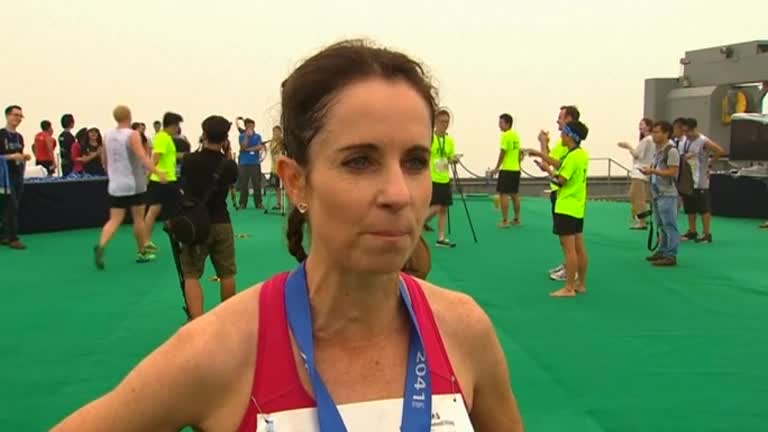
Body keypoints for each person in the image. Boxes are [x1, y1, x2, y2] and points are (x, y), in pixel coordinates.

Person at [52, 39, 524, 432]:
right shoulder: (221, 349)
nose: (398, 193)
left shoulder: (464, 330)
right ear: (296, 181)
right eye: (360, 161)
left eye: (415, 162)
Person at [177, 115, 239, 319]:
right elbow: (231, 179)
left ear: (203, 134)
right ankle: (228, 319)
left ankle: (197, 321)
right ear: (225, 138)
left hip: (196, 224)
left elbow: (184, 187)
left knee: (191, 274)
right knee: (227, 273)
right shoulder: (228, 166)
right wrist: (227, 152)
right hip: (221, 221)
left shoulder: (189, 160)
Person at [94, 106, 166, 268]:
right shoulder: (132, 134)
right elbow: (142, 156)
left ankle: (102, 244)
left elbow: (104, 160)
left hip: (115, 184)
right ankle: (141, 252)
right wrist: (156, 171)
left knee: (115, 219)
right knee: (138, 218)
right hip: (133, 183)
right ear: (129, 116)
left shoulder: (107, 135)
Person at [526, 105, 581, 281]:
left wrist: (541, 146)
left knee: (571, 241)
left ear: (569, 120)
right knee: (569, 240)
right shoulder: (567, 145)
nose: (558, 121)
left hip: (566, 197)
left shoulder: (571, 148)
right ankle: (569, 267)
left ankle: (571, 274)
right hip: (565, 197)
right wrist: (545, 147)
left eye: (561, 117)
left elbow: (556, 167)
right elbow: (552, 160)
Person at [535, 120, 590, 297]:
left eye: (564, 133)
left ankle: (568, 288)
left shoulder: (572, 157)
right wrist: (542, 155)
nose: (561, 135)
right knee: (580, 247)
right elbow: (560, 165)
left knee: (569, 250)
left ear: (570, 136)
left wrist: (548, 171)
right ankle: (580, 284)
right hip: (577, 207)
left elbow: (560, 180)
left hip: (566, 206)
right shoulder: (580, 154)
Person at [679, 118, 725, 243]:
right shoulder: (684, 141)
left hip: (700, 180)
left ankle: (706, 234)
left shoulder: (703, 141)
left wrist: (710, 163)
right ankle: (692, 231)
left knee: (703, 208)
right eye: (684, 131)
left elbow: (720, 151)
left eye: (688, 131)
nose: (686, 134)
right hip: (687, 179)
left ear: (694, 129)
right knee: (689, 207)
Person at [640, 121, 680, 266]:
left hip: (668, 193)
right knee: (661, 224)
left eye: (657, 132)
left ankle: (671, 254)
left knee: (670, 224)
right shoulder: (659, 150)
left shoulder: (672, 151)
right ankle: (663, 251)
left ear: (666, 133)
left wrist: (653, 171)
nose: (654, 135)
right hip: (658, 192)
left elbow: (673, 172)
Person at [144, 111, 184, 253]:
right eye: (177, 125)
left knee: (154, 211)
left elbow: (168, 155)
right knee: (180, 208)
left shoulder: (166, 138)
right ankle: (147, 240)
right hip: (164, 180)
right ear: (172, 125)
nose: (178, 128)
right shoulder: (162, 137)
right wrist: (151, 173)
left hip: (166, 179)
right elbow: (155, 157)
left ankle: (146, 241)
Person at [425, 108, 457, 247]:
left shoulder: (450, 141)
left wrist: (454, 159)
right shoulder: (429, 138)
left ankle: (441, 238)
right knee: (436, 206)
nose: (445, 124)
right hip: (432, 177)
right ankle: (419, 223)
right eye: (442, 122)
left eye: (447, 122)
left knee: (444, 208)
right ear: (436, 122)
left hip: (444, 177)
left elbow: (448, 158)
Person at [0, 105, 30, 250]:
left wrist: (23, 157)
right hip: (3, 177)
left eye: (20, 116)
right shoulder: (1, 135)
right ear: (7, 116)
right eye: (15, 115)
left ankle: (4, 235)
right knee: (10, 206)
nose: (18, 118)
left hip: (17, 175)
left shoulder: (19, 137)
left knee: (12, 206)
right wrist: (11, 156)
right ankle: (13, 238)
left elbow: (18, 155)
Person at [618, 118, 654, 229]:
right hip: (642, 172)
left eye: (642, 124)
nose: (640, 126)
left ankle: (642, 221)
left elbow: (637, 155)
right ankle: (641, 216)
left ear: (648, 126)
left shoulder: (647, 140)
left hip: (640, 172)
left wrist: (628, 146)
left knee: (638, 198)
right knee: (635, 196)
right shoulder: (650, 140)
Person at [490, 113, 523, 227]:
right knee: (515, 194)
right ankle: (517, 219)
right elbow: (519, 153)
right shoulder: (516, 136)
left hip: (507, 169)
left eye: (501, 123)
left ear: (507, 124)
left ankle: (505, 220)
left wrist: (496, 168)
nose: (499, 125)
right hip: (516, 169)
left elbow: (503, 152)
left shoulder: (506, 136)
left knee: (503, 194)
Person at [236, 117, 265, 209]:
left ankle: (259, 203)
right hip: (244, 163)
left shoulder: (258, 136)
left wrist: (248, 149)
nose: (250, 127)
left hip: (255, 163)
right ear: (245, 126)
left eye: (251, 125)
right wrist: (247, 137)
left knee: (257, 183)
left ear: (254, 126)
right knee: (243, 184)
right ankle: (242, 203)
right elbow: (243, 146)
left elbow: (259, 147)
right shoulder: (241, 136)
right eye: (248, 126)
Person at [267, 125, 285, 210]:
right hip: (274, 168)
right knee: (276, 187)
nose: (276, 133)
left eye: (277, 132)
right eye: (274, 132)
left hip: (284, 168)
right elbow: (273, 151)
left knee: (286, 187)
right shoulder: (272, 143)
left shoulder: (283, 142)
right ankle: (279, 203)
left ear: (281, 133)